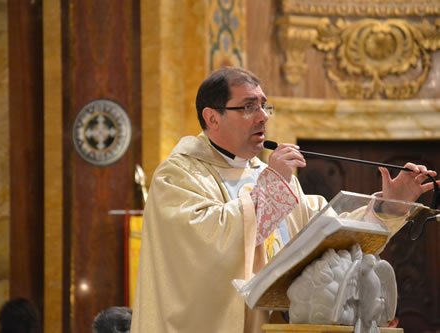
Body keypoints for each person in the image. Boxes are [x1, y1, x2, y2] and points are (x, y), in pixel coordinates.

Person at [130, 66, 439, 333]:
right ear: (212, 117)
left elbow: (325, 231)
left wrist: (389, 207)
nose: (263, 116)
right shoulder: (178, 175)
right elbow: (205, 243)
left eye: (265, 106)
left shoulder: (268, 174)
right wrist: (274, 188)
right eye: (249, 106)